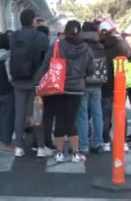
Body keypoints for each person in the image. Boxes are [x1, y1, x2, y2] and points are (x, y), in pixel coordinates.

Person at [36, 20, 95, 162]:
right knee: (71, 120)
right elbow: (91, 69)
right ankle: (75, 153)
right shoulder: (85, 48)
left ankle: (59, 153)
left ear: (65, 31)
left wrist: (37, 82)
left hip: (59, 87)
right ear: (79, 32)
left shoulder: (57, 45)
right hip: (77, 89)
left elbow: (46, 66)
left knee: (60, 120)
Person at [9, 9, 50, 158]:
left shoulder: (13, 37)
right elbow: (47, 50)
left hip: (18, 80)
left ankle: (19, 147)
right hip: (35, 81)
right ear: (33, 21)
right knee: (36, 115)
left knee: (19, 114)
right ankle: (40, 147)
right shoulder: (39, 36)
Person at [98, 20, 131, 152]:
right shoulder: (122, 44)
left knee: (105, 115)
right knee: (120, 113)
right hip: (121, 83)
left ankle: (106, 141)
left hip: (104, 83)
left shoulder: (100, 45)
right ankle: (122, 142)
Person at [77, 21, 107, 155]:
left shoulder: (81, 46)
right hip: (98, 84)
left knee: (82, 115)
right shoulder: (100, 45)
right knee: (97, 114)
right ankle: (98, 142)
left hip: (83, 83)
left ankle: (84, 145)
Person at [0, 32, 15, 150]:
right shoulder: (7, 57)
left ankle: (3, 137)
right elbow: (10, 75)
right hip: (7, 88)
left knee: (1, 114)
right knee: (8, 116)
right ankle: (7, 142)